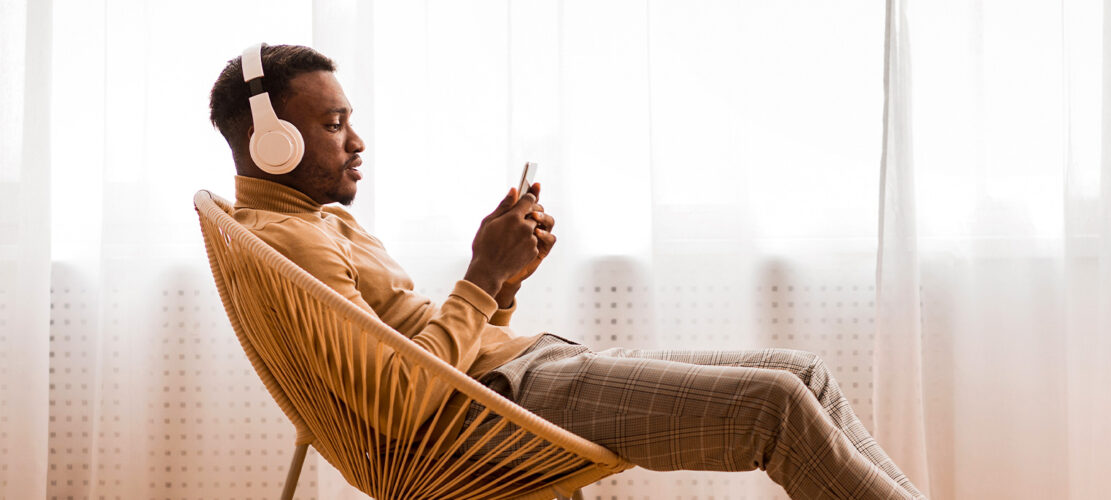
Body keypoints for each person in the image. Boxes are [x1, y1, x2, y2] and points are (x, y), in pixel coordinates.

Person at [208, 43, 926, 500]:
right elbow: (400, 401)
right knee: (775, 408)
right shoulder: (293, 240)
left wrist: (504, 283)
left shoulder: (304, 223)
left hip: (508, 380)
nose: (357, 141)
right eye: (334, 125)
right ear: (270, 143)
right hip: (496, 405)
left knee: (803, 374)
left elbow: (417, 348)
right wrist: (482, 277)